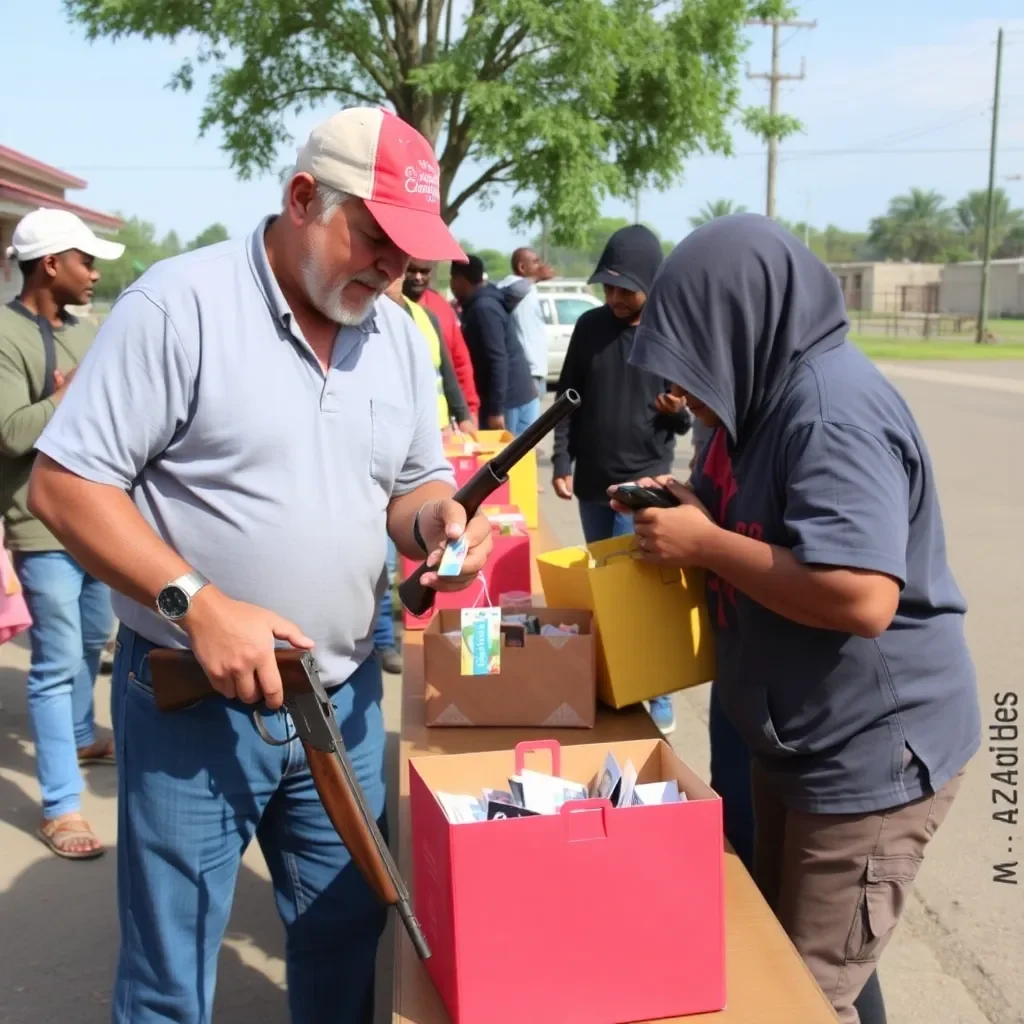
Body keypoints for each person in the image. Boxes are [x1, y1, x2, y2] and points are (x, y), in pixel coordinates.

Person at [27, 106, 493, 1024]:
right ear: (302, 197)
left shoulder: (396, 333)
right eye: (375, 239)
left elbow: (411, 481)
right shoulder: (179, 306)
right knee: (171, 974)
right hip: (197, 706)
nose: (394, 269)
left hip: (345, 698)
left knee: (344, 939)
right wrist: (198, 604)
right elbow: (64, 487)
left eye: (410, 252)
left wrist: (433, 520)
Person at [616, 213, 981, 1024]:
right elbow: (774, 525)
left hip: (870, 758)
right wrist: (693, 507)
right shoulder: (767, 397)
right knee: (783, 956)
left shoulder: (828, 412)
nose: (687, 390)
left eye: (693, 359)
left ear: (740, 328)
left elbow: (862, 597)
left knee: (800, 999)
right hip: (802, 744)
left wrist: (707, 545)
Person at [0, 208, 124, 860]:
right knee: (53, 662)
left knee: (91, 640)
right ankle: (60, 807)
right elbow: (11, 433)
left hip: (96, 522)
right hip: (39, 523)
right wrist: (63, 397)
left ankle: (79, 734)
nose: (95, 273)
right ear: (50, 263)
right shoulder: (4, 333)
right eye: (86, 261)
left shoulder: (85, 329)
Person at [551, 224, 691, 736]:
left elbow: (686, 416)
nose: (613, 298)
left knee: (642, 594)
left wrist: (676, 414)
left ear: (650, 286)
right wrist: (562, 461)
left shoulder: (670, 333)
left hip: (646, 487)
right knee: (603, 593)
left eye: (625, 289)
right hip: (593, 484)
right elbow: (568, 399)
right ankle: (616, 685)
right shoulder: (589, 328)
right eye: (607, 288)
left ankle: (658, 691)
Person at [371, 276, 475, 675]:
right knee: (380, 561)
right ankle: (383, 639)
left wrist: (465, 415)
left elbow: (449, 372)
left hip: (424, 446)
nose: (396, 271)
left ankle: (381, 638)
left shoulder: (417, 323)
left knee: (393, 563)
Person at [449, 254, 538, 435]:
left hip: (509, 401)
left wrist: (496, 410)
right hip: (515, 395)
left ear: (459, 279)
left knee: (508, 460)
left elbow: (497, 359)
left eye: (452, 280)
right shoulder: (484, 300)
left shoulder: (483, 308)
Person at [403, 259, 480, 422]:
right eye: (411, 270)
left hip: (440, 422)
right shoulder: (381, 307)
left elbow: (459, 364)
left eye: (424, 272)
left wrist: (469, 411)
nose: (418, 277)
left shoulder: (440, 308)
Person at [498, 247, 554, 405]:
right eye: (536, 262)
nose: (541, 266)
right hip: (525, 371)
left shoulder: (529, 287)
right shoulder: (512, 284)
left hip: (535, 370)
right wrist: (536, 278)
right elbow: (513, 291)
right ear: (522, 267)